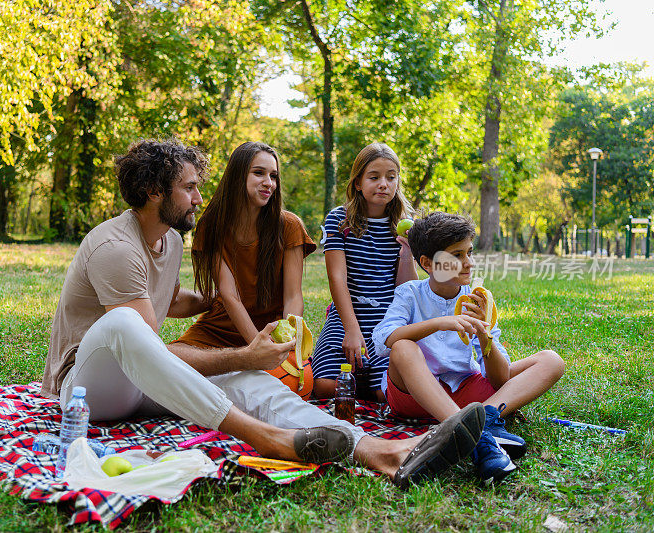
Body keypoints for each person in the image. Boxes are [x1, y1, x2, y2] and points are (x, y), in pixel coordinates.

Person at [41, 139, 486, 489]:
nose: (199, 196)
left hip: (144, 385)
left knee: (255, 384)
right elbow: (141, 339)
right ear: (155, 192)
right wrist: (240, 353)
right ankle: (267, 438)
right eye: (190, 187)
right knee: (128, 327)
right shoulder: (116, 247)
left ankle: (379, 451)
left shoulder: (170, 239)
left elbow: (167, 299)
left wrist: (208, 304)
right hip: (88, 388)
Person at [371, 211, 566, 484]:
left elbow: (500, 378)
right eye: (456, 255)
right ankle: (475, 434)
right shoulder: (411, 293)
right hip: (413, 397)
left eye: (469, 252)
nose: (468, 263)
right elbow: (381, 341)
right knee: (402, 347)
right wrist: (441, 323)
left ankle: (484, 419)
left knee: (551, 360)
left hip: (466, 391)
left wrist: (485, 336)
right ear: (427, 263)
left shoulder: (477, 299)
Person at [171, 141, 315, 380]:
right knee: (169, 362)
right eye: (259, 173)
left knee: (303, 382)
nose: (269, 182)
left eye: (274, 176)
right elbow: (229, 295)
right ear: (238, 175)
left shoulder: (289, 226)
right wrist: (254, 351)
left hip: (271, 332)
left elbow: (293, 296)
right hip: (219, 330)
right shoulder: (212, 226)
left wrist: (286, 339)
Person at [311, 143, 417, 401]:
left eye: (391, 177)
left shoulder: (404, 225)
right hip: (346, 317)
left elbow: (407, 290)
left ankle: (367, 381)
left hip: (387, 321)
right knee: (325, 387)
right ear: (358, 182)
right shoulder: (339, 219)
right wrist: (351, 330)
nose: (383, 184)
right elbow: (337, 279)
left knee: (386, 393)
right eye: (374, 177)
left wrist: (407, 255)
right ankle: (358, 377)